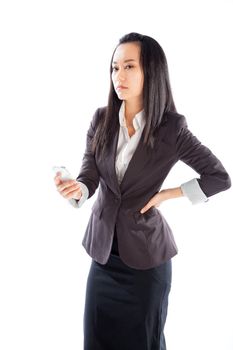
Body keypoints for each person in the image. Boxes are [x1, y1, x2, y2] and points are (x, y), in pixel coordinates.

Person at [54, 32, 231, 350]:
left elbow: (219, 177)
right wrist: (76, 188)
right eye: (114, 67)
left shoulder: (172, 129)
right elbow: (89, 176)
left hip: (147, 264)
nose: (118, 75)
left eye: (129, 67)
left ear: (151, 71)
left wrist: (167, 195)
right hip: (104, 257)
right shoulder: (101, 120)